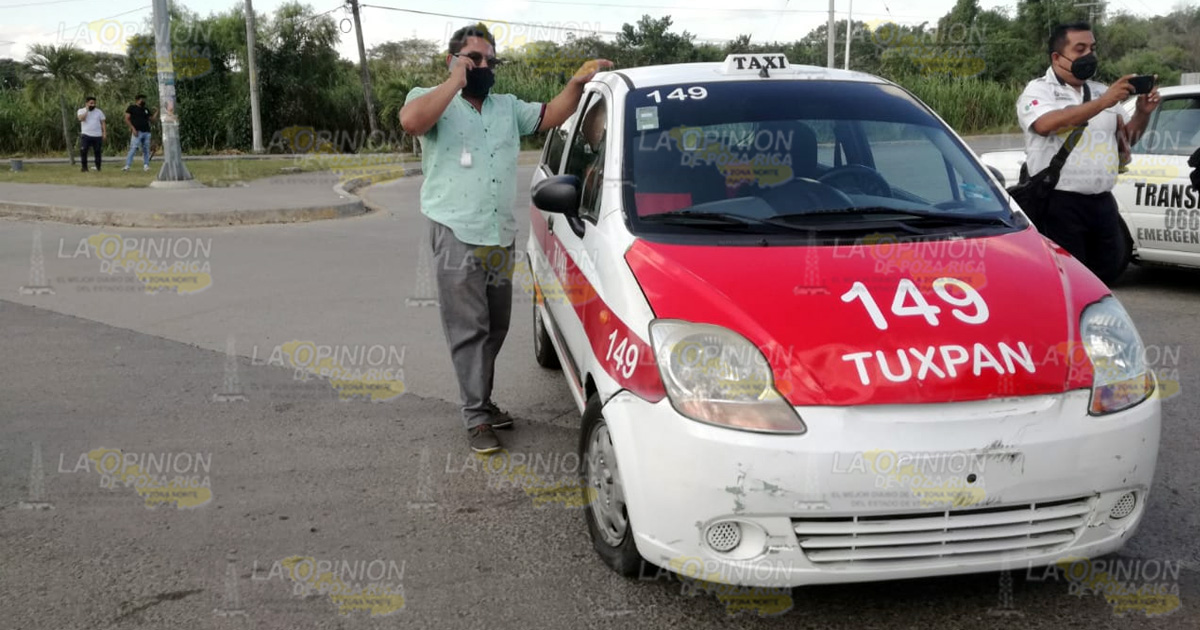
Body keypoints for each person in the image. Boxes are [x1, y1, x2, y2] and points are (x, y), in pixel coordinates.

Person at [399, 25, 612, 453]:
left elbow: (552, 114)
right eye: (474, 58)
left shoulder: (506, 108)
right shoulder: (431, 98)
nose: (483, 67)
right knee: (469, 329)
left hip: (498, 234)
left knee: (496, 326)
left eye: (489, 60)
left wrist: (575, 84)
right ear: (453, 60)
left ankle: (483, 400)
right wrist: (454, 82)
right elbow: (411, 122)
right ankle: (477, 417)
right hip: (455, 231)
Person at [1017, 22, 1160, 284]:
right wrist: (1104, 102)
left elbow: (1126, 138)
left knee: (1104, 278)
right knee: (1068, 283)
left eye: (1092, 48)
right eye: (1080, 49)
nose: (1089, 56)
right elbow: (1046, 125)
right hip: (1058, 204)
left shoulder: (1100, 91)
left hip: (1102, 204)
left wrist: (1142, 113)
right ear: (1057, 57)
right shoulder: (1038, 90)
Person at [123, 94, 156, 172]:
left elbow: (152, 120)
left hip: (146, 132)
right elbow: (127, 119)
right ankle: (127, 165)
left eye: (144, 100)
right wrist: (133, 129)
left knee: (146, 149)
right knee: (133, 148)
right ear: (137, 100)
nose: (144, 101)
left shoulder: (146, 109)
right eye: (142, 99)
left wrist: (156, 112)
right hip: (137, 131)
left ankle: (146, 165)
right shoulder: (132, 108)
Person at [76, 96, 106, 172]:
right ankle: (84, 168)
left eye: (94, 103)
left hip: (97, 135)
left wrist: (104, 133)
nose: (93, 105)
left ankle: (98, 167)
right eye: (91, 103)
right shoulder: (81, 110)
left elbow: (103, 122)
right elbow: (81, 119)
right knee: (84, 150)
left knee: (97, 151)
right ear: (87, 103)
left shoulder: (99, 111)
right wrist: (87, 110)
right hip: (86, 134)